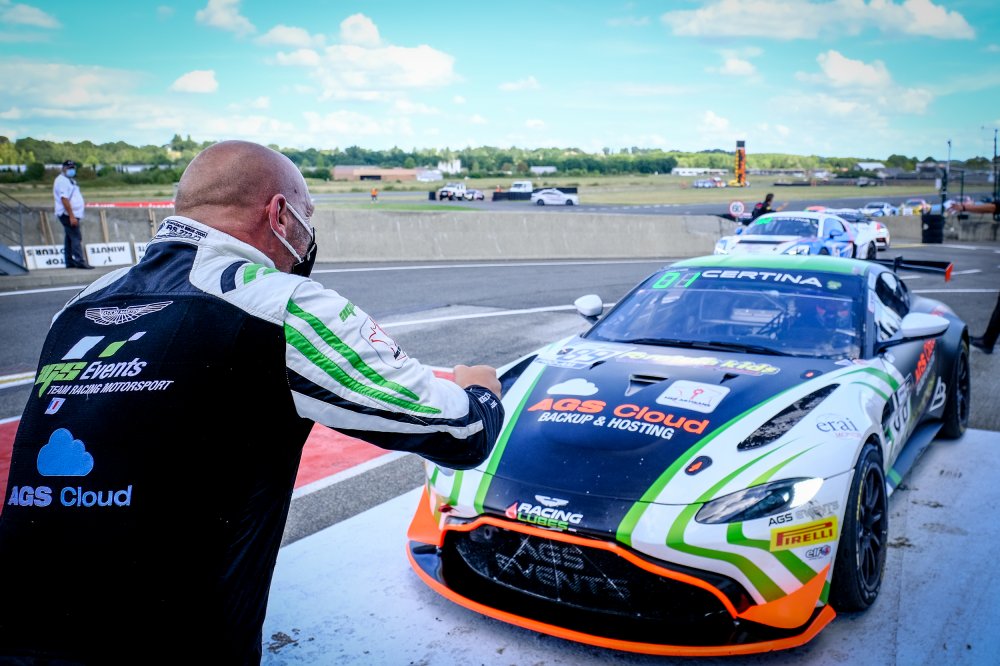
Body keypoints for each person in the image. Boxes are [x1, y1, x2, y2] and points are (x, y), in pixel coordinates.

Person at [0, 140, 505, 664]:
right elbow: (461, 433)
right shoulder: (278, 302)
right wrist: (480, 390)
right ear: (280, 215)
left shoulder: (78, 306)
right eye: (308, 217)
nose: (308, 234)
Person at [52, 159, 93, 269]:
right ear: (63, 168)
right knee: (76, 237)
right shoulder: (61, 181)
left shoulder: (69, 180)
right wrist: (71, 216)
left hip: (72, 214)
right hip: (67, 214)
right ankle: (80, 261)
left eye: (73, 168)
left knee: (69, 238)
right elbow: (64, 199)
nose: (71, 170)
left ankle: (69, 261)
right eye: (69, 168)